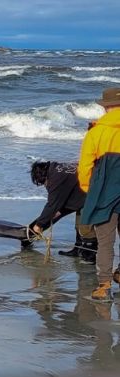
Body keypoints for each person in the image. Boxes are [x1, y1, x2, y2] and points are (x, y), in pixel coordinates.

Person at [77, 87, 120, 301]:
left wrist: (89, 190)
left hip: (105, 192)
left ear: (106, 108)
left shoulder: (96, 132)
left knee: (105, 241)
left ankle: (104, 286)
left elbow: (84, 167)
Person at [28, 160, 96, 263]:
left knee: (85, 226)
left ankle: (90, 255)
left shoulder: (56, 178)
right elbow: (57, 204)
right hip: (82, 192)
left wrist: (39, 225)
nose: (45, 185)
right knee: (79, 225)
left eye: (43, 182)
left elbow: (52, 205)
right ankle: (78, 249)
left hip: (92, 192)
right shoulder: (55, 169)